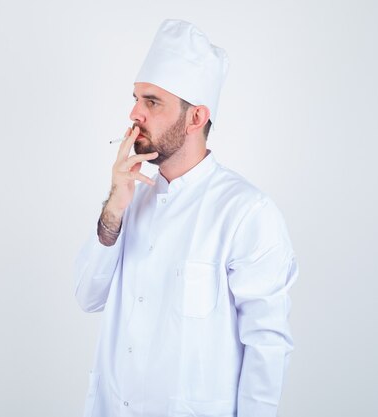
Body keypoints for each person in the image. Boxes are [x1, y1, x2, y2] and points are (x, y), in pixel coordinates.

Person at [74, 19, 298, 417]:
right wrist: (113, 208)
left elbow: (267, 346)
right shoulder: (131, 196)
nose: (134, 113)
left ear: (195, 118)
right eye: (136, 97)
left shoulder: (246, 212)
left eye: (152, 102)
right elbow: (87, 297)